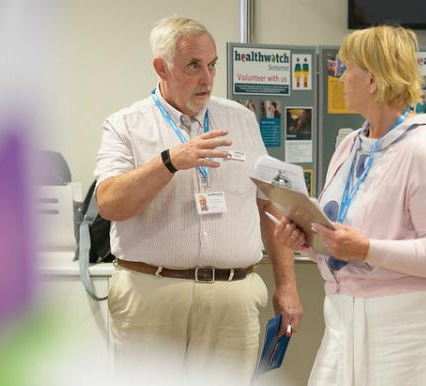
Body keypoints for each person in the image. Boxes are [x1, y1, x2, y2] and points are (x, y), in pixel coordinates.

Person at [94, 16, 302, 384]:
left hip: (232, 300)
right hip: (152, 298)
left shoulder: (241, 120)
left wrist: (287, 286)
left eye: (212, 65)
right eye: (193, 66)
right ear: (161, 67)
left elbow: (267, 204)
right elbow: (109, 203)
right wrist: (170, 162)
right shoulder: (126, 124)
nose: (207, 78)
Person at [273, 25, 426, 385]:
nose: (341, 78)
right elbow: (341, 243)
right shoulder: (350, 147)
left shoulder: (423, 150)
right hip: (343, 320)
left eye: (347, 69)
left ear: (374, 81)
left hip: (407, 333)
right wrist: (309, 243)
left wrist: (366, 248)